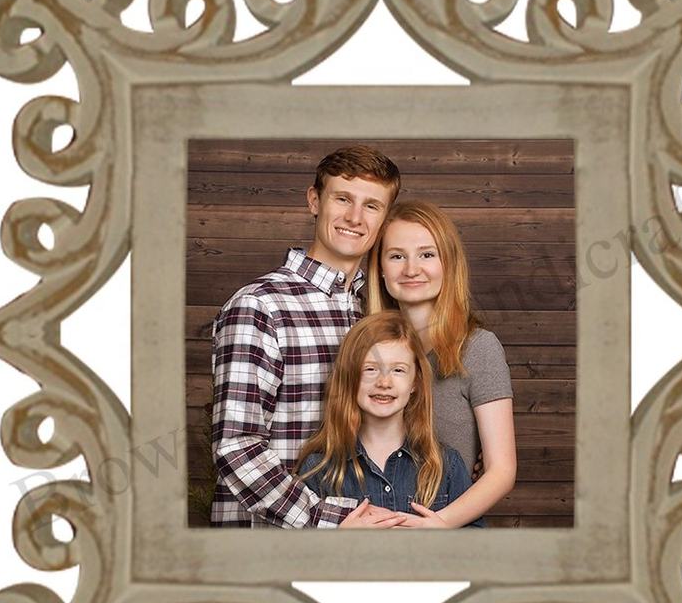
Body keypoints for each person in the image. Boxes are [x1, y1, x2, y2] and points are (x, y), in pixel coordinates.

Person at [210, 144, 406, 528]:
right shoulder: (260, 305)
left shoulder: (374, 313)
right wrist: (324, 519)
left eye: (371, 206)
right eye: (343, 199)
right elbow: (236, 446)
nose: (354, 217)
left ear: (384, 219)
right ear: (314, 200)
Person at [366, 200, 517, 528]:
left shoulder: (478, 348)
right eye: (396, 256)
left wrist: (440, 524)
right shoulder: (365, 350)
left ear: (448, 263)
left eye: (427, 254)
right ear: (379, 268)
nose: (411, 269)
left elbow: (502, 470)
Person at [294, 311, 481, 526]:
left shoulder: (446, 465)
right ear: (350, 377)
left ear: (415, 382)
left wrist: (445, 532)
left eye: (398, 370)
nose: (384, 382)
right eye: (370, 369)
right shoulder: (319, 468)